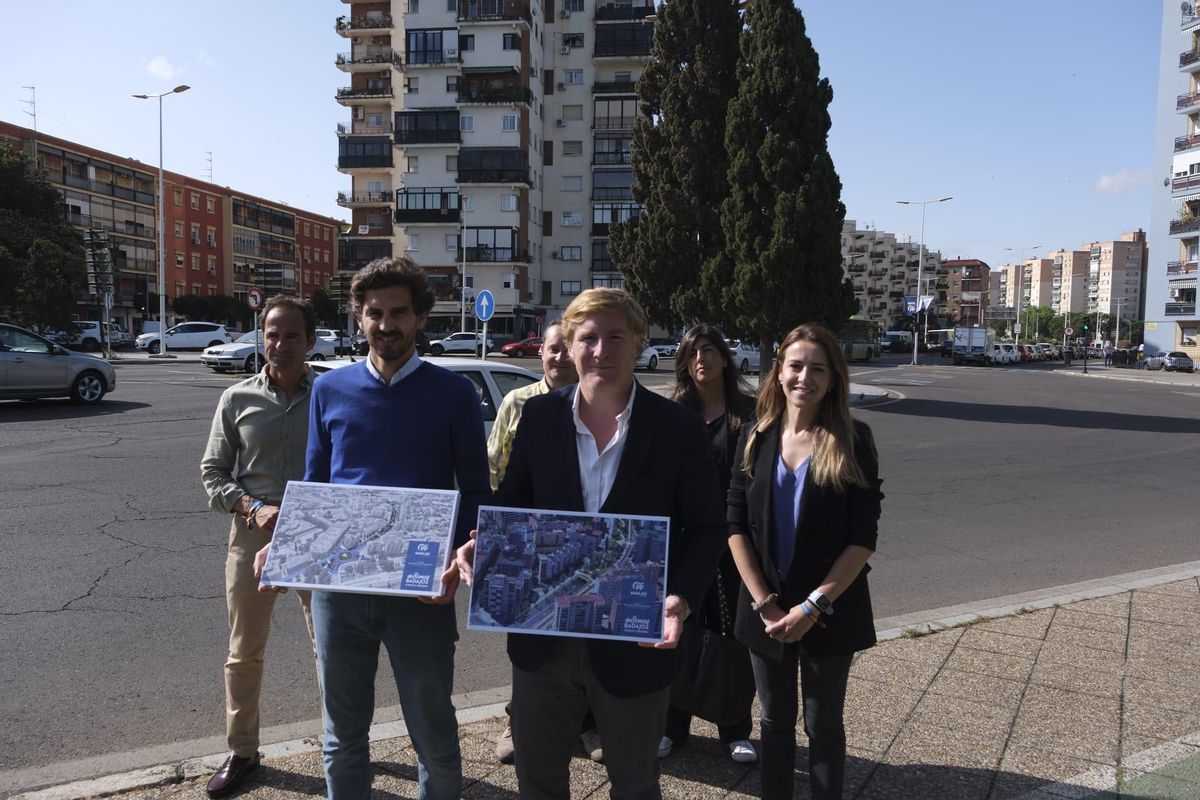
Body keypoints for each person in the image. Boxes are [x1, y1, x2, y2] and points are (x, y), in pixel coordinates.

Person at [452, 288, 728, 800]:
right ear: (570, 345)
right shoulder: (538, 419)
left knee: (636, 784)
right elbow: (513, 507)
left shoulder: (679, 429)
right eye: (588, 338)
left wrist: (681, 598)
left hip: (635, 643)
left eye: (615, 338)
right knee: (538, 781)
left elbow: (709, 527)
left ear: (640, 344)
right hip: (543, 646)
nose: (601, 351)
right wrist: (482, 546)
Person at [258, 257, 489, 800]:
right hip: (339, 592)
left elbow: (475, 491)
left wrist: (463, 553)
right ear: (359, 318)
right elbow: (316, 486)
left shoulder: (454, 393)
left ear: (420, 318)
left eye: (398, 313)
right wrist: (285, 547)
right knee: (342, 737)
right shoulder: (330, 391)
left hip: (422, 587)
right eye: (374, 313)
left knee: (433, 734)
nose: (386, 324)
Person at [727, 323, 884, 800]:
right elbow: (734, 524)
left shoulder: (853, 439)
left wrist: (812, 607)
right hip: (766, 612)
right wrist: (766, 605)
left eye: (818, 368)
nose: (805, 377)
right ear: (778, 372)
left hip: (829, 612)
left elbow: (862, 540)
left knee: (824, 724)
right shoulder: (755, 436)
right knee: (774, 721)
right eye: (795, 366)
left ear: (834, 378)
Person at [200, 295, 320, 798]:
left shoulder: (330, 395)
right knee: (244, 651)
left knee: (331, 650)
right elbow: (213, 472)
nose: (280, 344)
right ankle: (243, 751)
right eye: (272, 334)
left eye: (292, 335)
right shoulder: (237, 399)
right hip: (254, 534)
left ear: (310, 341)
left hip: (320, 536)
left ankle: (345, 744)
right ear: (261, 337)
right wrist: (251, 507)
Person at [487, 322, 605, 765]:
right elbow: (496, 467)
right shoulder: (518, 403)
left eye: (564, 350)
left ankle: (588, 724)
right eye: (552, 349)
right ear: (542, 354)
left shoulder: (601, 405)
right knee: (529, 638)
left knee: (588, 632)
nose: (559, 358)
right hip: (530, 540)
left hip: (586, 541)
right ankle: (517, 718)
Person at [659, 325, 758, 764]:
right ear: (683, 362)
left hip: (734, 545)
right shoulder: (672, 415)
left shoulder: (749, 415)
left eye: (709, 350)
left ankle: (734, 727)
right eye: (692, 352)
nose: (701, 358)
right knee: (678, 633)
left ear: (724, 358)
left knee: (731, 637)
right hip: (682, 545)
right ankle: (672, 726)